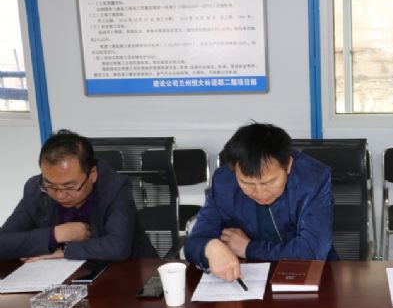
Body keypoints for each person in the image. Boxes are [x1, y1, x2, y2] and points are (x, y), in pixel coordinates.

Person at [184, 123, 334, 281]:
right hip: (247, 276)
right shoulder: (224, 182)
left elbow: (312, 251)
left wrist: (248, 248)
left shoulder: (312, 180)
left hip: (310, 275)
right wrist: (210, 248)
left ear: (288, 165)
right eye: (247, 183)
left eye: (269, 182)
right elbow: (193, 244)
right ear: (234, 171)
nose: (260, 193)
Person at [0, 129, 157, 261]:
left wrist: (66, 250)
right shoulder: (35, 189)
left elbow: (117, 247)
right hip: (60, 278)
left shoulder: (115, 188)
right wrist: (55, 234)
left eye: (69, 186)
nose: (60, 195)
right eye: (51, 186)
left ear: (92, 174)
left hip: (128, 273)